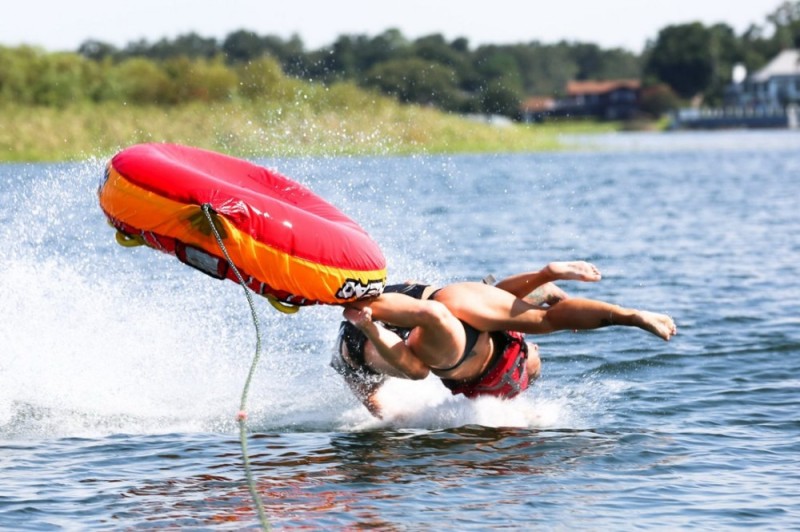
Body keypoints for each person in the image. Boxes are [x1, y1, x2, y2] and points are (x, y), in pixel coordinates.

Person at [331, 261, 677, 418]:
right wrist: (370, 328)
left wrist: (543, 279)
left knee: (542, 317)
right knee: (427, 332)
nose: (536, 350)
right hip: (457, 350)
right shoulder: (505, 398)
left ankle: (628, 314)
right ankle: (356, 307)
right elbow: (408, 379)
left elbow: (511, 300)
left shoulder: (518, 359)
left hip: (436, 306)